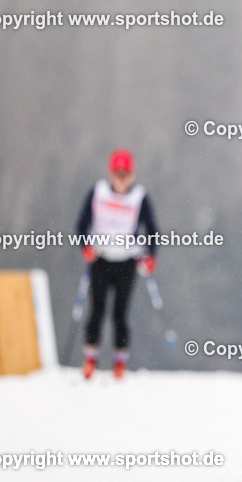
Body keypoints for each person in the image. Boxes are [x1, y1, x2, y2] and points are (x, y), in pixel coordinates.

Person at [75, 149, 158, 380]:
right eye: (117, 174)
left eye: (125, 174)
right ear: (111, 174)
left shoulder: (139, 197)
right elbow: (82, 223)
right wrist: (85, 246)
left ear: (132, 175)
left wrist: (150, 256)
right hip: (101, 260)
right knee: (97, 310)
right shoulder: (98, 192)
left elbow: (152, 230)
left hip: (126, 262)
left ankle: (120, 362)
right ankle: (90, 358)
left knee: (120, 313)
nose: (121, 179)